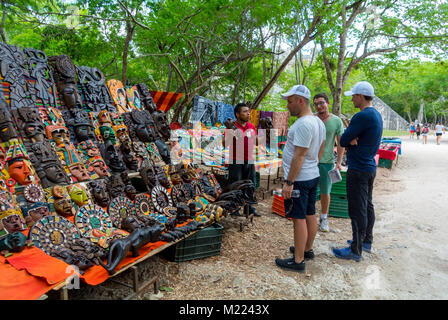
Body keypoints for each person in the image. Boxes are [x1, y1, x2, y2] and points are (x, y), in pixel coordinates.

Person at [274, 85, 326, 272]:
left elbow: (299, 155)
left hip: (301, 179)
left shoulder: (304, 123)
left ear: (300, 101)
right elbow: (322, 144)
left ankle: (298, 260)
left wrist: (289, 182)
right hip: (311, 174)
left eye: (290, 101)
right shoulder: (318, 122)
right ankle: (307, 249)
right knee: (310, 213)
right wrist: (315, 164)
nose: (288, 106)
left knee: (299, 218)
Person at [332, 81, 382, 262]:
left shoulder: (361, 116)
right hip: (369, 167)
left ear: (361, 96)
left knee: (357, 209)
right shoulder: (376, 114)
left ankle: (356, 249)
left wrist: (350, 138)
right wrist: (352, 138)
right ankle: (366, 240)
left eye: (353, 95)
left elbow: (343, 140)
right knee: (367, 205)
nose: (352, 99)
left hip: (358, 168)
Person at [313, 93, 345, 232]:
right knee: (310, 190)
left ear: (328, 103)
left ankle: (324, 218)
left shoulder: (336, 121)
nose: (319, 106)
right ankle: (309, 218)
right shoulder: (312, 119)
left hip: (327, 162)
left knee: (325, 192)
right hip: (310, 162)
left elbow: (340, 143)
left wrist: (339, 162)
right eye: (316, 104)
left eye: (321, 103)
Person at [224, 102, 260, 217]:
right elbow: (225, 144)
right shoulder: (231, 126)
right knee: (236, 185)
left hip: (249, 160)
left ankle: (249, 208)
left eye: (248, 112)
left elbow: (257, 142)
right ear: (237, 114)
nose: (248, 114)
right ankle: (234, 209)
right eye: (245, 112)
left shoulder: (251, 126)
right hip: (236, 160)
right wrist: (230, 131)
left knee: (250, 185)